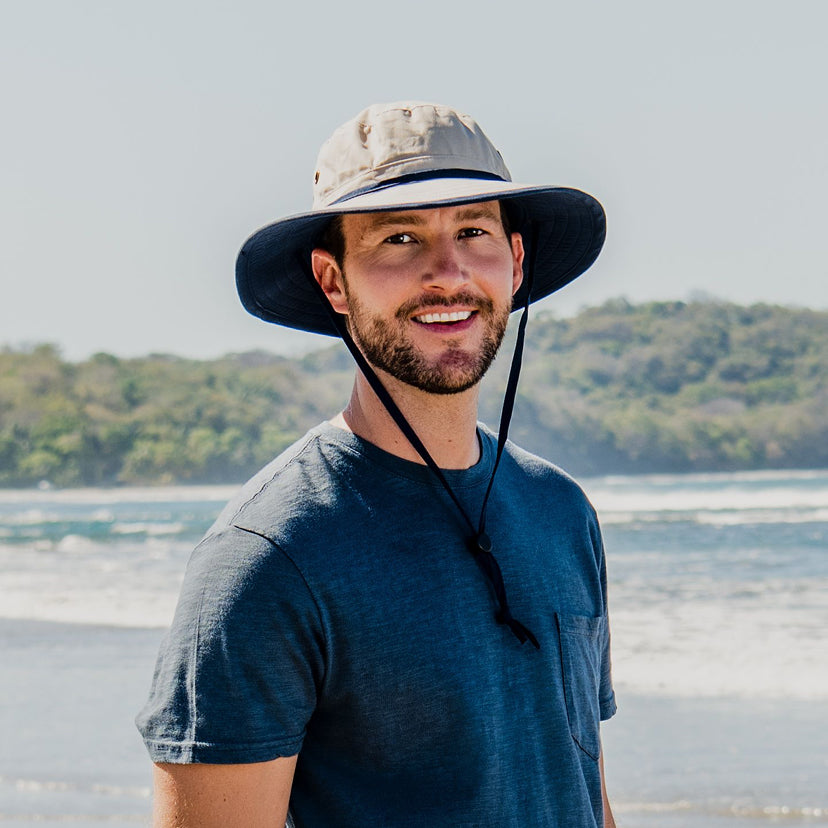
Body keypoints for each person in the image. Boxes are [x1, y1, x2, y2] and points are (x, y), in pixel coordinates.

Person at [136, 101, 617, 827]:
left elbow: (582, 793)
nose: (447, 273)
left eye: (474, 232)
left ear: (515, 264)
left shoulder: (561, 511)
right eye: (399, 239)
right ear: (334, 282)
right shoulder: (267, 556)